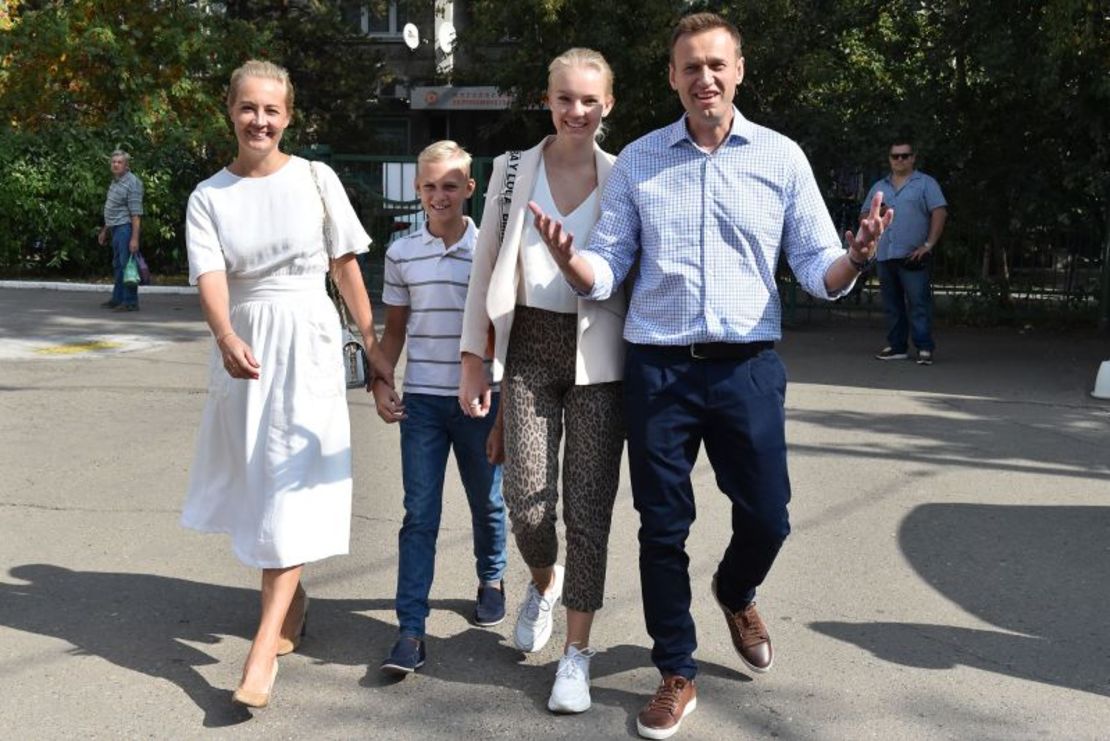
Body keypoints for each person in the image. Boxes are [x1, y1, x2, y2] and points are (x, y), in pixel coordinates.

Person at [528, 14, 891, 739]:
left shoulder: (781, 158)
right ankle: (676, 671)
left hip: (748, 368)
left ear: (740, 70)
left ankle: (734, 590)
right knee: (662, 529)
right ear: (672, 78)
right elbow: (607, 265)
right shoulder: (638, 161)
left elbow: (820, 268)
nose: (705, 78)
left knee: (769, 514)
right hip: (659, 370)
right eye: (690, 67)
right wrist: (574, 264)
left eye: (717, 65)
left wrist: (856, 255)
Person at [181, 59, 391, 709]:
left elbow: (345, 264)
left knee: (289, 487)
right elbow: (210, 277)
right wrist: (223, 334)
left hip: (310, 344)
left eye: (272, 109)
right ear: (230, 110)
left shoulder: (316, 178)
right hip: (245, 348)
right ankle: (292, 598)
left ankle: (261, 647)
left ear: (289, 115)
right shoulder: (209, 196)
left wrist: (374, 341)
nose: (260, 120)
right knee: (258, 484)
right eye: (249, 107)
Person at [458, 48, 627, 714]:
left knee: (588, 512)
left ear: (607, 104)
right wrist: (475, 355)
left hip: (600, 358)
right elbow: (486, 267)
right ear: (547, 100)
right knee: (527, 504)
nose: (577, 111)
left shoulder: (625, 176)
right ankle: (543, 579)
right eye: (565, 98)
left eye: (589, 100)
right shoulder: (508, 174)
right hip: (527, 344)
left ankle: (576, 655)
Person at [372, 140, 509, 677]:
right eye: (429, 186)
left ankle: (491, 576)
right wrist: (380, 382)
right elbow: (395, 331)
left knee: (488, 502)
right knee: (420, 516)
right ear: (417, 189)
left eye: (450, 185)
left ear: (469, 189)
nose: (439, 195)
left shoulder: (490, 250)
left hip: (481, 400)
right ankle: (410, 630)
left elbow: (504, 330)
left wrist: (504, 400)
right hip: (424, 404)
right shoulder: (402, 254)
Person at [864, 140, 948, 365]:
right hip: (884, 253)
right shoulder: (879, 187)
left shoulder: (926, 184)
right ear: (889, 159)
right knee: (892, 305)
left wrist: (928, 245)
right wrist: (873, 220)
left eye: (904, 155)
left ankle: (924, 348)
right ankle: (897, 346)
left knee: (918, 302)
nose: (899, 159)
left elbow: (939, 212)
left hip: (913, 255)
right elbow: (865, 216)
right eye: (895, 156)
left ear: (913, 158)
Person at [98, 149, 143, 311]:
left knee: (127, 266)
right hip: (115, 229)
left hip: (126, 229)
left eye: (119, 162)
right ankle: (118, 299)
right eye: (114, 162)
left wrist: (134, 238)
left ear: (126, 165)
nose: (116, 164)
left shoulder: (133, 183)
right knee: (118, 265)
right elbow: (112, 209)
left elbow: (136, 214)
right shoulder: (116, 181)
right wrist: (104, 230)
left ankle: (131, 301)